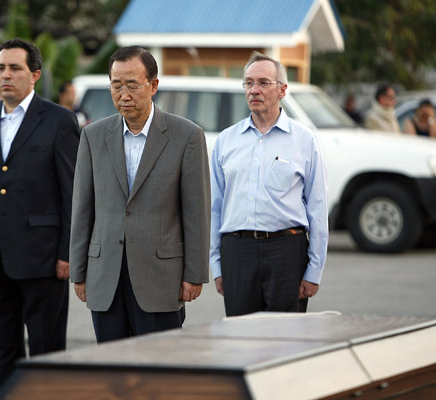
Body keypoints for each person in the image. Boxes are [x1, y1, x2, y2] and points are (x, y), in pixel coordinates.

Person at [0, 38, 79, 392]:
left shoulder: (59, 120)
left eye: (14, 68)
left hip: (43, 259)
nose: (5, 75)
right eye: (0, 68)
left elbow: (71, 194)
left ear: (35, 74)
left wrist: (66, 253)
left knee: (45, 349)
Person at [69, 46, 210, 343]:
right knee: (113, 370)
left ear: (153, 85)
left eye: (132, 85)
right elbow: (83, 208)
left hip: (160, 278)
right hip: (105, 273)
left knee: (159, 371)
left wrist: (194, 273)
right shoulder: (93, 136)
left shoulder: (186, 136)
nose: (124, 94)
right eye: (116, 85)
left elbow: (196, 211)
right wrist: (79, 271)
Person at [209, 52, 329, 316]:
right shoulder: (226, 141)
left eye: (263, 82)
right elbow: (214, 208)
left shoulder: (304, 141)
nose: (254, 90)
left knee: (286, 341)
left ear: (282, 90)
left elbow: (318, 208)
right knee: (240, 339)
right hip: (237, 252)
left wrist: (314, 270)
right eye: (249, 83)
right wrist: (216, 266)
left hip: (287, 252)